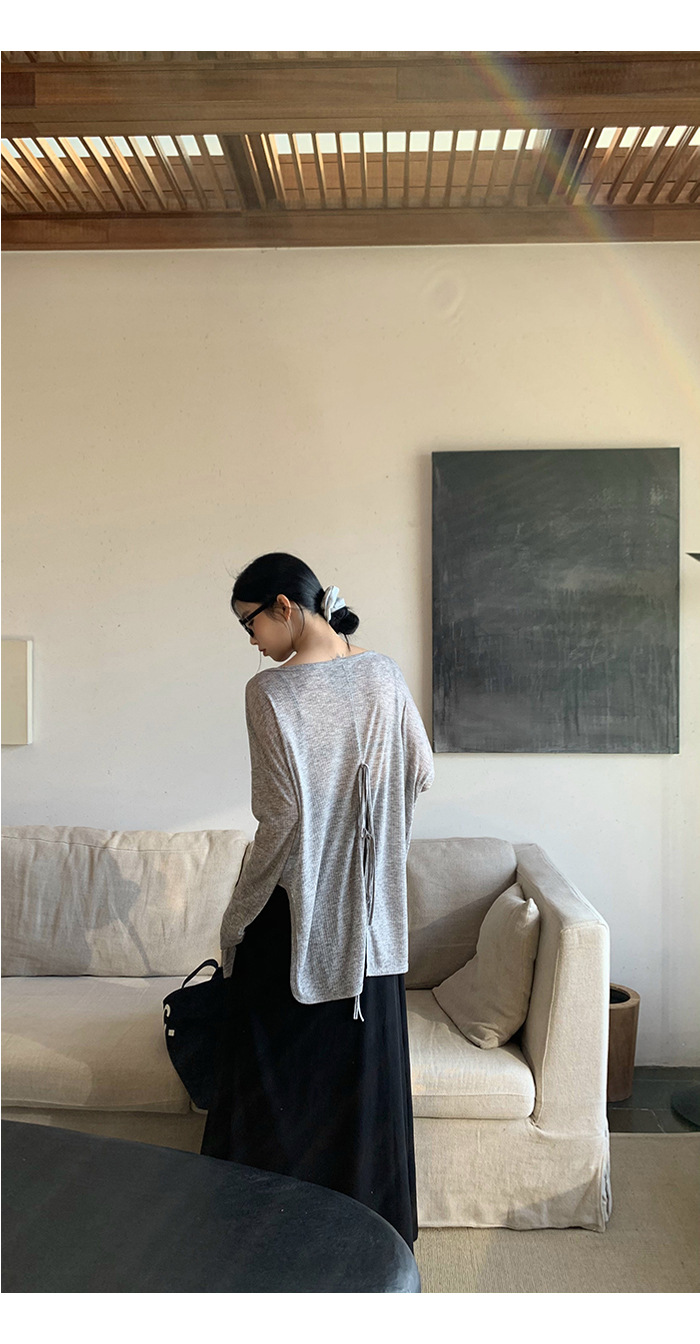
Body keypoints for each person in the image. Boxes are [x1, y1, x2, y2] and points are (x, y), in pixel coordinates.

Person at [200, 551, 435, 1252]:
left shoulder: (269, 693)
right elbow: (421, 771)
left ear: (284, 607)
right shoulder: (384, 674)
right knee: (361, 1085)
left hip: (296, 918)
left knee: (271, 1083)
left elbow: (281, 821)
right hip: (371, 923)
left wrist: (238, 915)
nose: (250, 640)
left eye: (249, 623)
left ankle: (263, 1236)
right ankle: (367, 1240)